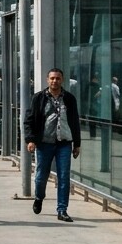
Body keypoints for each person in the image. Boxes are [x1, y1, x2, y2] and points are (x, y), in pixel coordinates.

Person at [24, 68, 81, 222]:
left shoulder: (69, 98)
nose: (55, 81)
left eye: (58, 78)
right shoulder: (39, 98)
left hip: (64, 142)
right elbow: (29, 120)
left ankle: (62, 210)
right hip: (44, 143)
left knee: (64, 176)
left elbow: (75, 121)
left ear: (62, 80)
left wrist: (77, 143)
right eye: (52, 78)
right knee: (41, 175)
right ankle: (39, 197)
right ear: (47, 80)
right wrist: (30, 140)